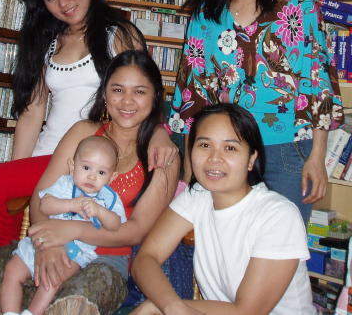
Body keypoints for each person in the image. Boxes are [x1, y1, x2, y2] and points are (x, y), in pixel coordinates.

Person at [0, 0, 177, 265]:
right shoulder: (48, 42)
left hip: (86, 154)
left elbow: (144, 89)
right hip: (47, 154)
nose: (63, 2)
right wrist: (16, 171)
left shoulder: (118, 34)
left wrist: (159, 135)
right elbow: (33, 112)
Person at [0, 50, 180, 315]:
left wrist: (72, 231)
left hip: (105, 258)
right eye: (117, 89)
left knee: (72, 305)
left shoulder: (163, 156)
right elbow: (41, 195)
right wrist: (47, 244)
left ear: (155, 97)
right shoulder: (83, 132)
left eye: (139, 92)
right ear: (104, 94)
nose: (127, 100)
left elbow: (136, 230)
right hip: (45, 241)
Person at [168, 0, 344, 224]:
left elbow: (317, 78)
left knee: (280, 245)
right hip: (223, 152)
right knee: (225, 243)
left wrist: (318, 156)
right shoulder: (206, 13)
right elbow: (194, 94)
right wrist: (191, 169)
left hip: (287, 150)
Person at [131, 103, 317, 315]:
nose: (214, 158)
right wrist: (169, 304)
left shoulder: (278, 215)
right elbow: (145, 259)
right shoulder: (198, 195)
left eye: (230, 148)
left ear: (251, 159)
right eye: (204, 145)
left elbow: (246, 312)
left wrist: (160, 307)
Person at [0, 135, 127, 315]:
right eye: (86, 168)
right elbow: (44, 205)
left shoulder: (107, 198)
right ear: (72, 166)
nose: (92, 176)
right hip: (43, 241)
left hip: (75, 253)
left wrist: (100, 211)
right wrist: (70, 205)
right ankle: (10, 312)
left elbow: (115, 225)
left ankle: (32, 312)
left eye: (101, 173)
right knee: (12, 270)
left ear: (112, 177)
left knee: (53, 278)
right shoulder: (64, 184)